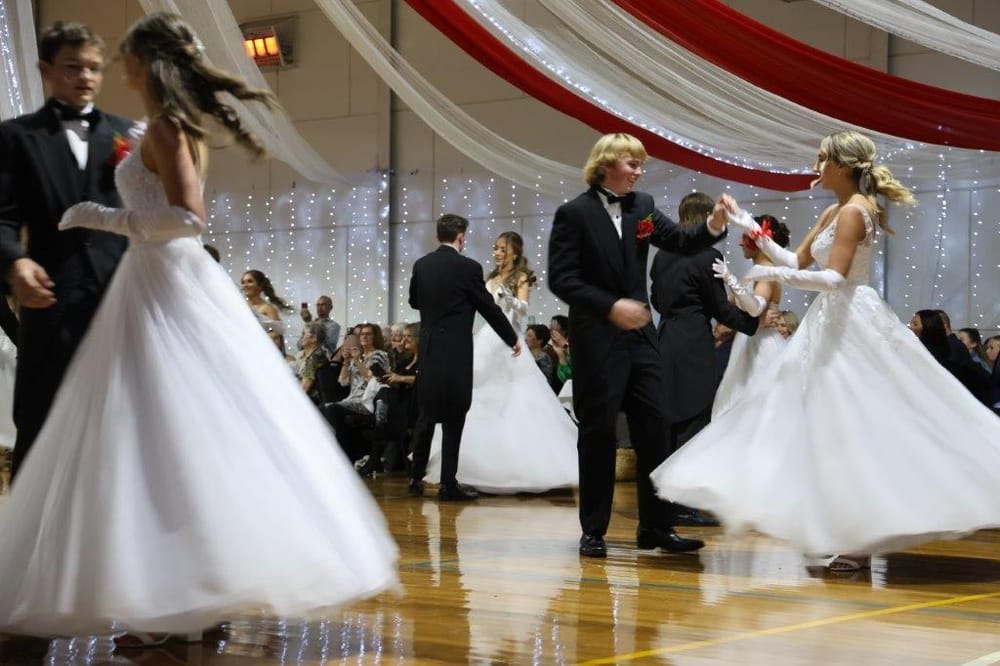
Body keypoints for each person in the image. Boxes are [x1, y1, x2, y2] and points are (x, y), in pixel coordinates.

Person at [0, 12, 397, 637]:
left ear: (144, 65)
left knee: (161, 432)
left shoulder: (157, 126)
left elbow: (189, 217)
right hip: (138, 282)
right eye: (80, 66)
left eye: (117, 64)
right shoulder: (149, 127)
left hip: (157, 281)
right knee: (149, 434)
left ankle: (174, 592)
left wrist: (103, 219)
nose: (108, 76)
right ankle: (170, 586)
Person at [651, 130, 1000, 572]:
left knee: (850, 423)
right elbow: (795, 260)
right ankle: (840, 527)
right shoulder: (835, 210)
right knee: (816, 421)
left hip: (852, 320)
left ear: (842, 165)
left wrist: (764, 270)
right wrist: (746, 226)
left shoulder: (856, 212)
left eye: (822, 160)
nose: (816, 167)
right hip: (829, 319)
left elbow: (834, 279)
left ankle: (857, 538)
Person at [547, 132, 729, 558]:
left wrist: (715, 224)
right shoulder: (572, 213)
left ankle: (657, 528)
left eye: (640, 165)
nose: (640, 171)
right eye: (633, 164)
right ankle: (593, 530)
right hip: (596, 340)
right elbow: (563, 279)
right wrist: (610, 306)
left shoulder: (643, 206)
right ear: (607, 163)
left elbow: (681, 241)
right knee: (597, 435)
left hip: (642, 339)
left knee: (655, 429)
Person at [0, 21, 134, 479]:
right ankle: (28, 544)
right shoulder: (15, 136)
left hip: (120, 297)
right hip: (50, 297)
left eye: (94, 68)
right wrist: (14, 262)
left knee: (121, 419)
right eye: (73, 66)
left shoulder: (127, 134)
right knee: (39, 418)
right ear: (46, 70)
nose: (85, 77)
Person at [422, 231, 577, 494]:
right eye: (495, 248)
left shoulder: (521, 276)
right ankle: (462, 467)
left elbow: (525, 309)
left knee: (515, 396)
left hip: (509, 339)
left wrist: (510, 299)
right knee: (475, 394)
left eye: (501, 249)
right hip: (486, 339)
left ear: (514, 252)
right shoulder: (490, 277)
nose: (496, 253)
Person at [649, 192, 762, 527]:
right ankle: (684, 504)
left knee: (669, 421)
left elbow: (656, 298)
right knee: (694, 421)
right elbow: (718, 306)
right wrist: (751, 322)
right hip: (694, 342)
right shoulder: (705, 254)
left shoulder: (663, 255)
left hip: (666, 337)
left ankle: (664, 501)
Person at [407, 214, 520, 501]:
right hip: (456, 351)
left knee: (426, 415)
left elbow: (414, 301)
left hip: (430, 348)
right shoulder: (469, 268)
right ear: (461, 237)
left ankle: (415, 478)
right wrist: (511, 337)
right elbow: (487, 308)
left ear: (438, 236)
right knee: (455, 416)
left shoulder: (422, 265)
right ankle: (448, 483)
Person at [711, 213, 791, 418]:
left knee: (756, 408)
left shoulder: (766, 271)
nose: (740, 242)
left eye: (745, 237)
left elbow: (755, 308)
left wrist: (730, 278)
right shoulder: (758, 270)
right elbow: (732, 304)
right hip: (748, 342)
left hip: (760, 347)